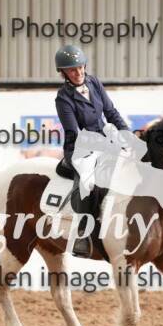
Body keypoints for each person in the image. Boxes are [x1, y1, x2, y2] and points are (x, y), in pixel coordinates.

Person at [54, 44, 129, 257]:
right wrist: (107, 144)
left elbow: (111, 112)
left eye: (80, 67)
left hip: (105, 140)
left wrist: (126, 134)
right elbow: (74, 132)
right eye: (72, 70)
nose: (78, 72)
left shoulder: (94, 82)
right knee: (87, 182)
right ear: (63, 73)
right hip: (80, 148)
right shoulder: (63, 98)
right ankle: (83, 233)